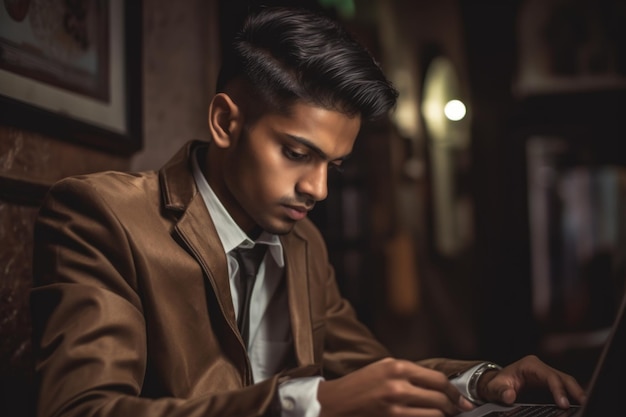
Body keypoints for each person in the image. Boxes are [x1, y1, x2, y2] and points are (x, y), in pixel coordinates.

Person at [31, 7, 586, 417]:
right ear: (226, 123)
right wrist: (305, 404)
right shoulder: (102, 216)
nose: (317, 189)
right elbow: (81, 411)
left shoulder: (302, 243)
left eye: (334, 165)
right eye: (298, 154)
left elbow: (373, 373)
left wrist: (483, 382)